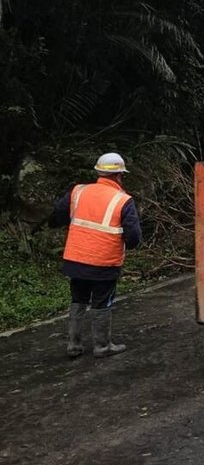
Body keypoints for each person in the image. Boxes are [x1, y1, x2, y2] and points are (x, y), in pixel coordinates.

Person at [50, 152, 141, 359]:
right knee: (102, 301)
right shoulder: (123, 200)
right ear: (120, 175)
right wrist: (129, 245)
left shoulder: (78, 191)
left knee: (78, 299)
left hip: (75, 258)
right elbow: (134, 236)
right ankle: (102, 346)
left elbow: (58, 213)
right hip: (103, 261)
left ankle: (74, 345)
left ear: (98, 172)